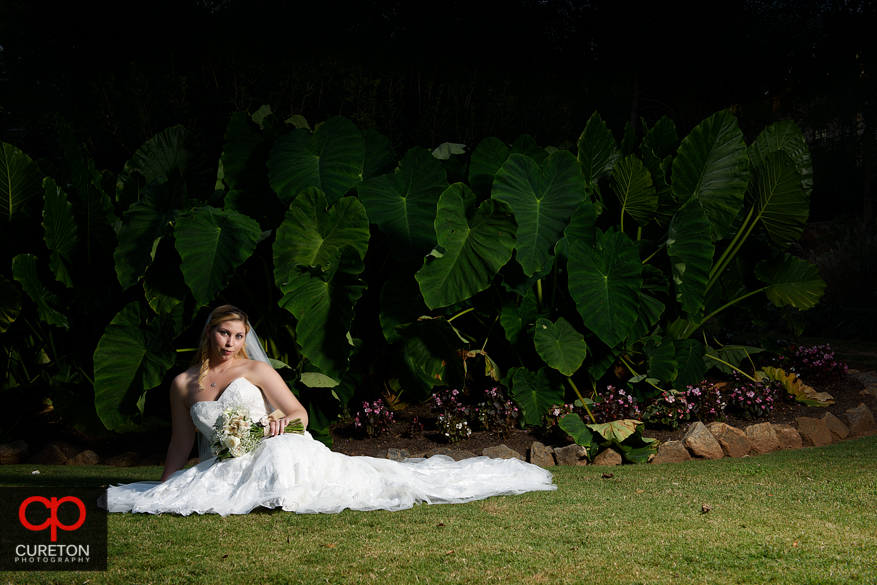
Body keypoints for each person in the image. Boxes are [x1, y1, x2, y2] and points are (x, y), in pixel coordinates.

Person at [106, 305, 556, 516]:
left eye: (238, 336)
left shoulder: (257, 370)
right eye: (224, 334)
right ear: (209, 333)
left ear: (246, 339)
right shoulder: (184, 384)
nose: (231, 343)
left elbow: (300, 413)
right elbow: (182, 441)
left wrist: (281, 421)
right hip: (225, 461)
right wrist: (164, 487)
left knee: (283, 453)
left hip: (271, 444)